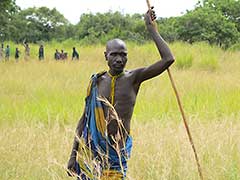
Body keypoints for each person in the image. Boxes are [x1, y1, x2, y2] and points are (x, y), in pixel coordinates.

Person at [67, 9, 175, 179]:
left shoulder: (134, 78)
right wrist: (73, 155)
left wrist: (150, 28)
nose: (119, 59)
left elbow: (168, 59)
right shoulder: (96, 82)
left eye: (123, 55)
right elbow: (84, 120)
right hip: (92, 152)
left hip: (117, 153)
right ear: (106, 56)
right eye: (114, 55)